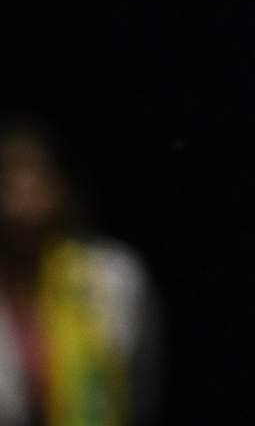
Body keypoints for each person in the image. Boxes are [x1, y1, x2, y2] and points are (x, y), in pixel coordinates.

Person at [0, 120, 162, 425]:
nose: (22, 194)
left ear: (62, 184)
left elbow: (143, 384)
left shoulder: (113, 276)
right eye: (8, 178)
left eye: (34, 174)